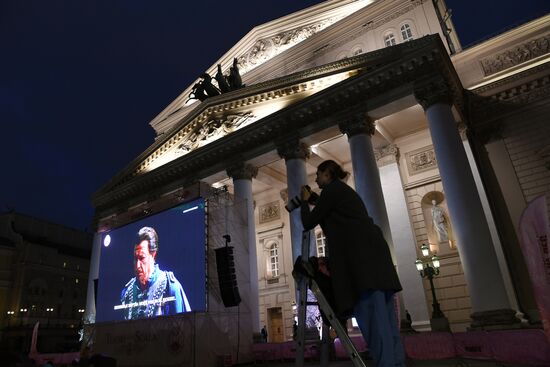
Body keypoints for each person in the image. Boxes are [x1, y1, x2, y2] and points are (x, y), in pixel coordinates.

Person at [300, 160, 405, 367]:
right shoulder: (342, 191)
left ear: (328, 175)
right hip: (376, 261)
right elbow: (327, 207)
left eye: (319, 174)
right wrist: (314, 199)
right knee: (387, 321)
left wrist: (304, 202)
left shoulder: (332, 191)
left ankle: (386, 364)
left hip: (361, 266)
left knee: (373, 321)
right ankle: (396, 363)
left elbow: (308, 223)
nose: (315, 178)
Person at [120, 226, 191, 320]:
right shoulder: (127, 293)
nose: (137, 265)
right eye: (135, 258)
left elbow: (184, 328)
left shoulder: (170, 287)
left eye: (142, 258)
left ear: (153, 255)